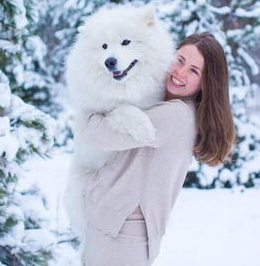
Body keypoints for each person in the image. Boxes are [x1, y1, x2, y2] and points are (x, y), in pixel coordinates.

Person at [77, 32, 236, 266]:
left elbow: (103, 134)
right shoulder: (170, 107)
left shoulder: (175, 115)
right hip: (117, 228)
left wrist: (88, 107)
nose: (180, 72)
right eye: (180, 60)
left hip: (123, 235)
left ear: (206, 83)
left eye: (194, 71)